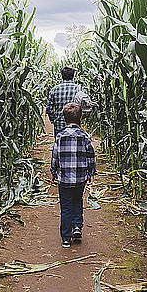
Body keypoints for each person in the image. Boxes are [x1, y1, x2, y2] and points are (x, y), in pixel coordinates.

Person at [50, 102, 97, 248]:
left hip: (64, 178)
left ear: (64, 119)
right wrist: (91, 172)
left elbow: (55, 156)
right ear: (81, 118)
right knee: (78, 201)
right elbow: (91, 156)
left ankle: (66, 237)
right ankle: (77, 227)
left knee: (66, 206)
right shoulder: (85, 136)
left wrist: (53, 171)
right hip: (80, 177)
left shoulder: (60, 136)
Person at [46, 66, 83, 137]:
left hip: (59, 125)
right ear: (73, 75)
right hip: (75, 126)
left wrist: (54, 120)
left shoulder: (54, 89)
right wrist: (79, 119)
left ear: (62, 75)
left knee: (60, 145)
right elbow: (85, 106)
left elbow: (49, 108)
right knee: (75, 146)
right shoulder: (80, 89)